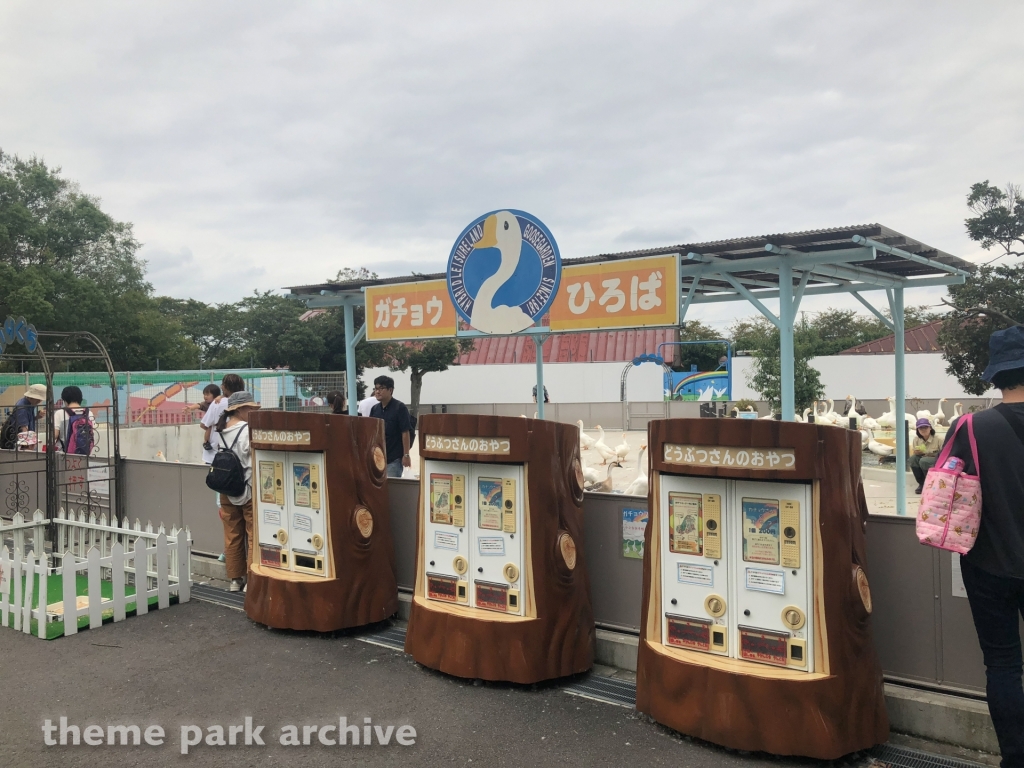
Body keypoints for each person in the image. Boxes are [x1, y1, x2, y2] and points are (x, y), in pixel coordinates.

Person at [940, 325, 1024, 768]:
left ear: (997, 376)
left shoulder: (970, 426)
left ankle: (1015, 759)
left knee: (1004, 665)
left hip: (988, 564)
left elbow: (939, 483)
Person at [215, 391, 260, 592]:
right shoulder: (247, 430)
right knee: (253, 535)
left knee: (232, 534)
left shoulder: (221, 430)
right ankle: (251, 579)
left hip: (226, 490)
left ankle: (235, 579)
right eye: (250, 408)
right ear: (239, 409)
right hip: (248, 490)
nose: (253, 412)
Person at [369, 375, 411, 478]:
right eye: (376, 388)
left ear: (390, 390)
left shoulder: (400, 408)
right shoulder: (375, 409)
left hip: (394, 459)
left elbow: (405, 432)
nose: (377, 392)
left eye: (381, 388)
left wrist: (406, 455)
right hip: (378, 457)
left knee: (391, 488)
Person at [201, 375, 242, 465]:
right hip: (238, 456)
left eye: (222, 384)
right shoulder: (244, 403)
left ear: (225, 387)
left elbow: (204, 424)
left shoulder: (217, 403)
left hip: (214, 455)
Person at [53, 386, 97, 455]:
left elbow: (54, 435)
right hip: (84, 453)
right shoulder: (88, 413)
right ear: (80, 398)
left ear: (65, 399)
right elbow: (92, 432)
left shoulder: (60, 413)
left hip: (64, 455)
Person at [909, 417, 942, 494]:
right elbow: (915, 453)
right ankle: (921, 483)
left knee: (924, 461)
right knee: (913, 459)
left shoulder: (939, 439)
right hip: (922, 459)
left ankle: (930, 483)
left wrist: (928, 454)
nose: (923, 430)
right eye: (921, 428)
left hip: (936, 460)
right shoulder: (916, 439)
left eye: (925, 427)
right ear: (918, 430)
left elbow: (943, 454)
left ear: (930, 428)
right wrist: (917, 452)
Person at [9, 383, 45, 451]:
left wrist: (37, 417)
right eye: (38, 399)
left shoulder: (29, 404)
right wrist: (29, 447)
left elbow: (27, 421)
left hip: (28, 441)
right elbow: (24, 431)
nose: (39, 401)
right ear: (31, 397)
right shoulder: (22, 408)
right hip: (24, 444)